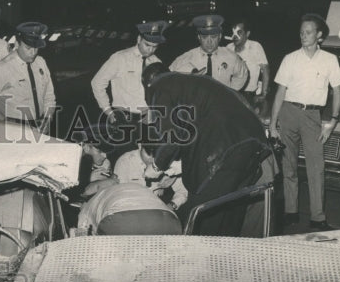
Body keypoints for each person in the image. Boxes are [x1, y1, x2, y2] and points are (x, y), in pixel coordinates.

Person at [142, 62, 274, 236]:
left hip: (227, 149)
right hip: (255, 145)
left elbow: (172, 136)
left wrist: (157, 166)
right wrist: (175, 168)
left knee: (200, 216)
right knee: (228, 214)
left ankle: (197, 261)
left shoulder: (160, 86)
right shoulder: (197, 84)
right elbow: (192, 132)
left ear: (148, 84)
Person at [269, 13, 340, 232]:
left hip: (313, 117)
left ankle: (317, 218)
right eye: (301, 32)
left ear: (319, 35)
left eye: (308, 32)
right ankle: (290, 213)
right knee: (288, 166)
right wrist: (273, 125)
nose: (303, 35)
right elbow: (280, 92)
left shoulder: (330, 60)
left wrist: (333, 121)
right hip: (288, 113)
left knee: (316, 168)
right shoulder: (289, 58)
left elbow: (338, 91)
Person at [89, 20, 168, 150]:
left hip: (147, 119)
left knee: (147, 159)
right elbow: (97, 83)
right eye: (147, 45)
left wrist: (154, 112)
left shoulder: (156, 62)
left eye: (155, 47)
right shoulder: (120, 58)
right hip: (123, 118)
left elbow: (161, 91)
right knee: (124, 158)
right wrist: (107, 110)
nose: (150, 50)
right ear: (139, 39)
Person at [0, 22, 56, 130]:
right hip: (15, 128)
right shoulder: (3, 68)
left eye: (36, 48)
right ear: (17, 44)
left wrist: (48, 118)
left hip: (40, 126)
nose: (33, 52)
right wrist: (2, 121)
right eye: (28, 48)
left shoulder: (40, 62)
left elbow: (49, 95)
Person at [170, 14, 248, 91]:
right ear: (199, 37)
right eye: (204, 37)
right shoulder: (186, 58)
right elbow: (168, 78)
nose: (209, 42)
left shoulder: (230, 56)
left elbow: (242, 74)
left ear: (220, 36)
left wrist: (230, 92)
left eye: (213, 36)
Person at [76, 181, 182, 236]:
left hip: (122, 221)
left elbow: (81, 238)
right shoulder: (135, 186)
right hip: (169, 220)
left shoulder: (90, 203)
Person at [112, 144, 188, 211]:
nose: (152, 161)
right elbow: (119, 196)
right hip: (130, 207)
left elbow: (182, 192)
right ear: (139, 145)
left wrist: (170, 206)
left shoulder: (167, 161)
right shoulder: (125, 162)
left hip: (156, 207)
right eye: (148, 155)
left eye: (156, 157)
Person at [228, 19, 270, 114]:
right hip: (231, 95)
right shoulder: (228, 48)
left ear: (247, 34)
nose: (235, 36)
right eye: (233, 32)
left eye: (239, 32)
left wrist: (263, 93)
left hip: (249, 96)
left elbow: (265, 70)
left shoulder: (255, 47)